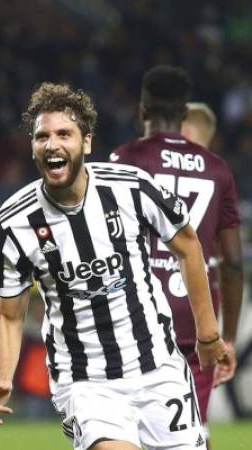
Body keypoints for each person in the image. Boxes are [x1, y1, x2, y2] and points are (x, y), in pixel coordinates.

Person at [0, 81, 231, 450]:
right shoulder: (14, 221)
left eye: (64, 134)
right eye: (42, 136)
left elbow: (189, 246)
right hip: (87, 383)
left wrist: (208, 334)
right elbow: (8, 315)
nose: (52, 144)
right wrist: (3, 376)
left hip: (158, 368)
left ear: (86, 142)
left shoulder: (130, 187)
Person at [109, 66, 243, 444]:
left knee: (127, 434)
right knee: (191, 434)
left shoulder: (123, 160)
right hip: (195, 324)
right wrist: (226, 336)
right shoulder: (217, 169)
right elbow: (232, 261)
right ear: (184, 115)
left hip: (137, 323)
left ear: (141, 110)